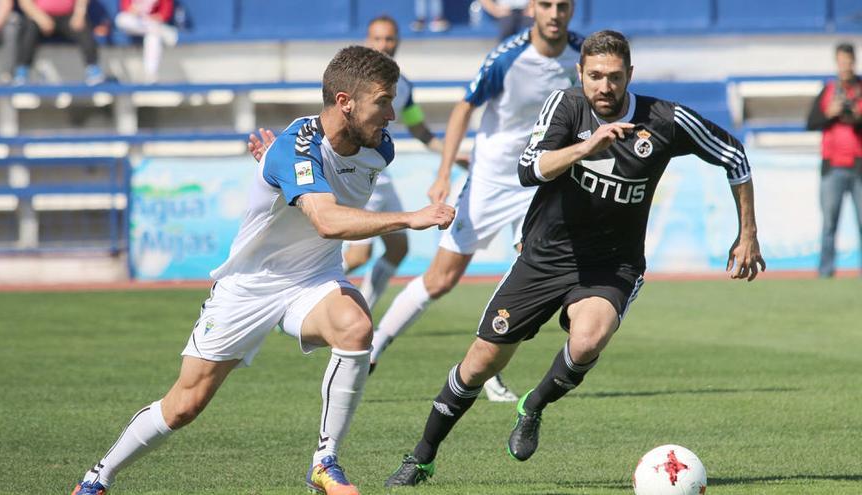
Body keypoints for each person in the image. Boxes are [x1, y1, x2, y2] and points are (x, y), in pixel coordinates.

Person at [384, 30, 766, 487]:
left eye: (615, 77)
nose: (604, 87)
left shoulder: (664, 119)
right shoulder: (565, 106)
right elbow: (529, 169)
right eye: (595, 76)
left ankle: (534, 405)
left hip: (612, 264)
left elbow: (733, 154)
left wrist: (747, 234)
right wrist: (587, 147)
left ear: (630, 76)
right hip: (544, 256)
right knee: (480, 363)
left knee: (588, 340)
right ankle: (422, 456)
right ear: (580, 73)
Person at [69, 46, 455, 495]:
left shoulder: (377, 148)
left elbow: (320, 190)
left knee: (355, 326)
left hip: (313, 280)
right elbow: (327, 221)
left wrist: (280, 175)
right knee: (184, 406)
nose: (391, 115)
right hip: (250, 287)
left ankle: (325, 463)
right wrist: (410, 217)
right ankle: (97, 479)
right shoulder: (293, 150)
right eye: (383, 102)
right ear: (345, 101)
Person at [369, 0, 584, 402]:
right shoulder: (507, 57)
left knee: (528, 276)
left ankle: (487, 367)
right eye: (546, 5)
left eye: (563, 6)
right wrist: (442, 173)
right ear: (533, 9)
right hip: (490, 179)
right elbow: (463, 107)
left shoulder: (583, 55)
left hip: (539, 182)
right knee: (441, 278)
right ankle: (375, 347)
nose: (554, 14)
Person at [341, 15, 470, 313]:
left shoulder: (403, 87)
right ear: (367, 41)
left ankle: (364, 310)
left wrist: (451, 155)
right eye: (378, 38)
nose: (384, 44)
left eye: (389, 38)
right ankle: (302, 293)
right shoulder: (353, 84)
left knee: (399, 249)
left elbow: (420, 131)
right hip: (357, 176)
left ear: (397, 41)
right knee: (359, 256)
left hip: (380, 178)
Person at [806, 42, 862, 278]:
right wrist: (829, 112)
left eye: (848, 62)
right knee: (829, 224)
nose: (845, 66)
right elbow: (810, 122)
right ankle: (826, 271)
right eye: (841, 62)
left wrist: (857, 118)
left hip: (859, 166)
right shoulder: (828, 90)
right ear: (836, 63)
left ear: (854, 62)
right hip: (832, 167)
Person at [14, 0, 105, 85]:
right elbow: (25, 2)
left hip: (68, 16)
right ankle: (22, 71)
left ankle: (93, 69)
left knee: (83, 28)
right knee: (29, 28)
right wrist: (40, 18)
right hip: (39, 16)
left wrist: (79, 14)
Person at [114, 0, 178, 83]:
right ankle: (161, 31)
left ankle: (150, 75)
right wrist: (137, 9)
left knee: (153, 36)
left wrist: (148, 19)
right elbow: (127, 11)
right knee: (121, 19)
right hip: (135, 25)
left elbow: (163, 15)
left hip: (152, 23)